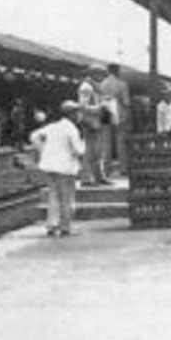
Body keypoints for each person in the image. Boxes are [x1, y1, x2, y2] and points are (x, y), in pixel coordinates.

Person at [30, 101, 85, 237]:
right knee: (67, 198)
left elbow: (33, 136)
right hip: (65, 168)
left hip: (51, 167)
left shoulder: (53, 126)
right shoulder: (72, 129)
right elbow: (78, 150)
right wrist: (83, 146)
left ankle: (52, 226)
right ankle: (65, 227)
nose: (79, 115)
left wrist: (43, 150)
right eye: (77, 112)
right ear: (71, 114)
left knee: (53, 196)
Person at [76, 69, 109, 186]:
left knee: (98, 151)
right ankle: (86, 178)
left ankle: (99, 176)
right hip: (89, 121)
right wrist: (100, 107)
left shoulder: (94, 87)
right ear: (95, 74)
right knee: (90, 151)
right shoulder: (86, 88)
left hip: (95, 121)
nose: (103, 78)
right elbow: (82, 106)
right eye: (101, 75)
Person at [99, 62, 131, 169]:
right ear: (117, 71)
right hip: (119, 113)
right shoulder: (122, 84)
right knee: (121, 140)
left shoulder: (102, 84)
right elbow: (126, 102)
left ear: (108, 71)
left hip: (105, 112)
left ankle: (106, 166)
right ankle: (123, 167)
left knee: (106, 141)